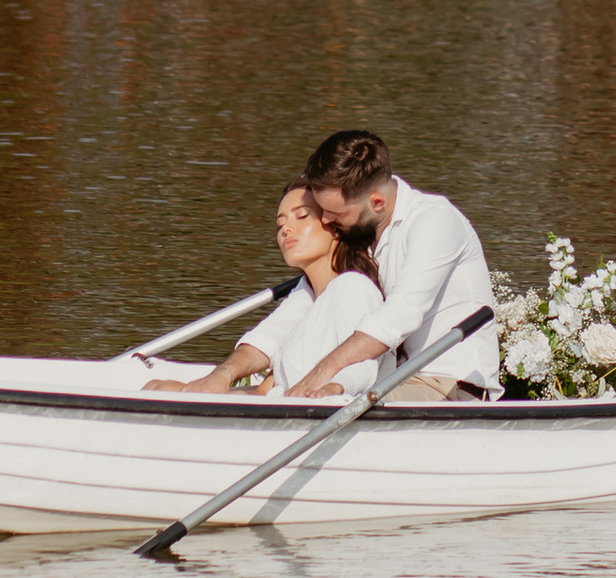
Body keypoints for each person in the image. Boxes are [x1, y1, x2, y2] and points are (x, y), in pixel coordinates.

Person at [294, 128, 501, 402]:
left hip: (450, 385)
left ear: (377, 202)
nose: (324, 221)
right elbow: (306, 303)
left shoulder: (435, 220)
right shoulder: (358, 229)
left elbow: (402, 313)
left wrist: (324, 370)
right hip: (389, 377)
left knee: (330, 398)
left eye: (335, 213)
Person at [146, 183, 390, 397]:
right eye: (280, 224)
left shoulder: (353, 287)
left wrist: (332, 388)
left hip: (319, 413)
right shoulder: (308, 296)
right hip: (282, 403)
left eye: (302, 216)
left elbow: (365, 363)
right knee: (158, 386)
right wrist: (219, 377)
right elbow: (267, 350)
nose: (286, 229)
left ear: (336, 227)